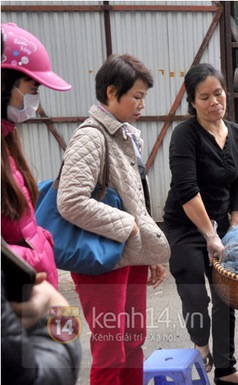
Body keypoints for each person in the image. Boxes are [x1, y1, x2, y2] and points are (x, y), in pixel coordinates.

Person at [56, 54, 170, 385]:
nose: (142, 105)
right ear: (111, 92)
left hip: (127, 255)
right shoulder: (91, 136)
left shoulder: (124, 135)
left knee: (133, 342)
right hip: (101, 259)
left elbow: (137, 202)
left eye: (144, 97)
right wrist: (128, 226)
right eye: (136, 96)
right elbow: (71, 201)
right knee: (111, 349)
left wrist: (148, 251)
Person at [162, 63, 238, 385]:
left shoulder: (236, 133)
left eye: (219, 93)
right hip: (185, 225)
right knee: (196, 294)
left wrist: (235, 225)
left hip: (223, 227)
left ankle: (226, 370)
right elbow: (187, 191)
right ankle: (200, 346)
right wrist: (210, 234)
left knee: (225, 296)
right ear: (192, 101)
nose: (215, 101)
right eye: (205, 97)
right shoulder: (185, 135)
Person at [1, 22, 72, 290]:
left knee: (66, 331)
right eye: (32, 90)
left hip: (38, 293)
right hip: (20, 307)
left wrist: (41, 243)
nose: (34, 102)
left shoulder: (8, 141)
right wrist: (33, 258)